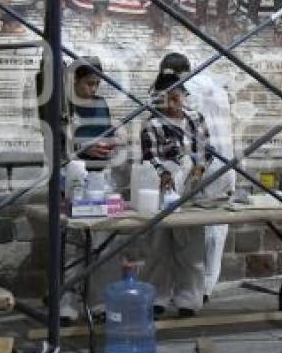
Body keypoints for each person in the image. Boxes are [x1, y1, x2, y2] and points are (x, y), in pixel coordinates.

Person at [157, 53, 235, 302]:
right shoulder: (217, 88)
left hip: (198, 164)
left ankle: (188, 289)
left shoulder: (184, 90)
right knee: (215, 228)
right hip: (223, 163)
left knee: (186, 231)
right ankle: (204, 289)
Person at [141, 70, 212, 317]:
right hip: (162, 189)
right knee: (158, 248)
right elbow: (150, 156)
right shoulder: (153, 124)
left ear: (184, 95)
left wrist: (200, 168)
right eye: (165, 100)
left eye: (175, 98)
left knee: (190, 248)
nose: (171, 105)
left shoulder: (195, 118)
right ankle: (156, 298)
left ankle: (188, 300)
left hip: (191, 187)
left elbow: (206, 150)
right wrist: (164, 174)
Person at [60, 57, 124, 324]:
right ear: (74, 81)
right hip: (74, 177)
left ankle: (98, 302)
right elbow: (59, 146)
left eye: (97, 84)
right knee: (75, 244)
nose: (94, 89)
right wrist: (83, 149)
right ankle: (68, 304)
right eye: (89, 83)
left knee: (102, 244)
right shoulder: (64, 107)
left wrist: (113, 142)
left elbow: (107, 132)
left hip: (100, 176)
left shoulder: (99, 104)